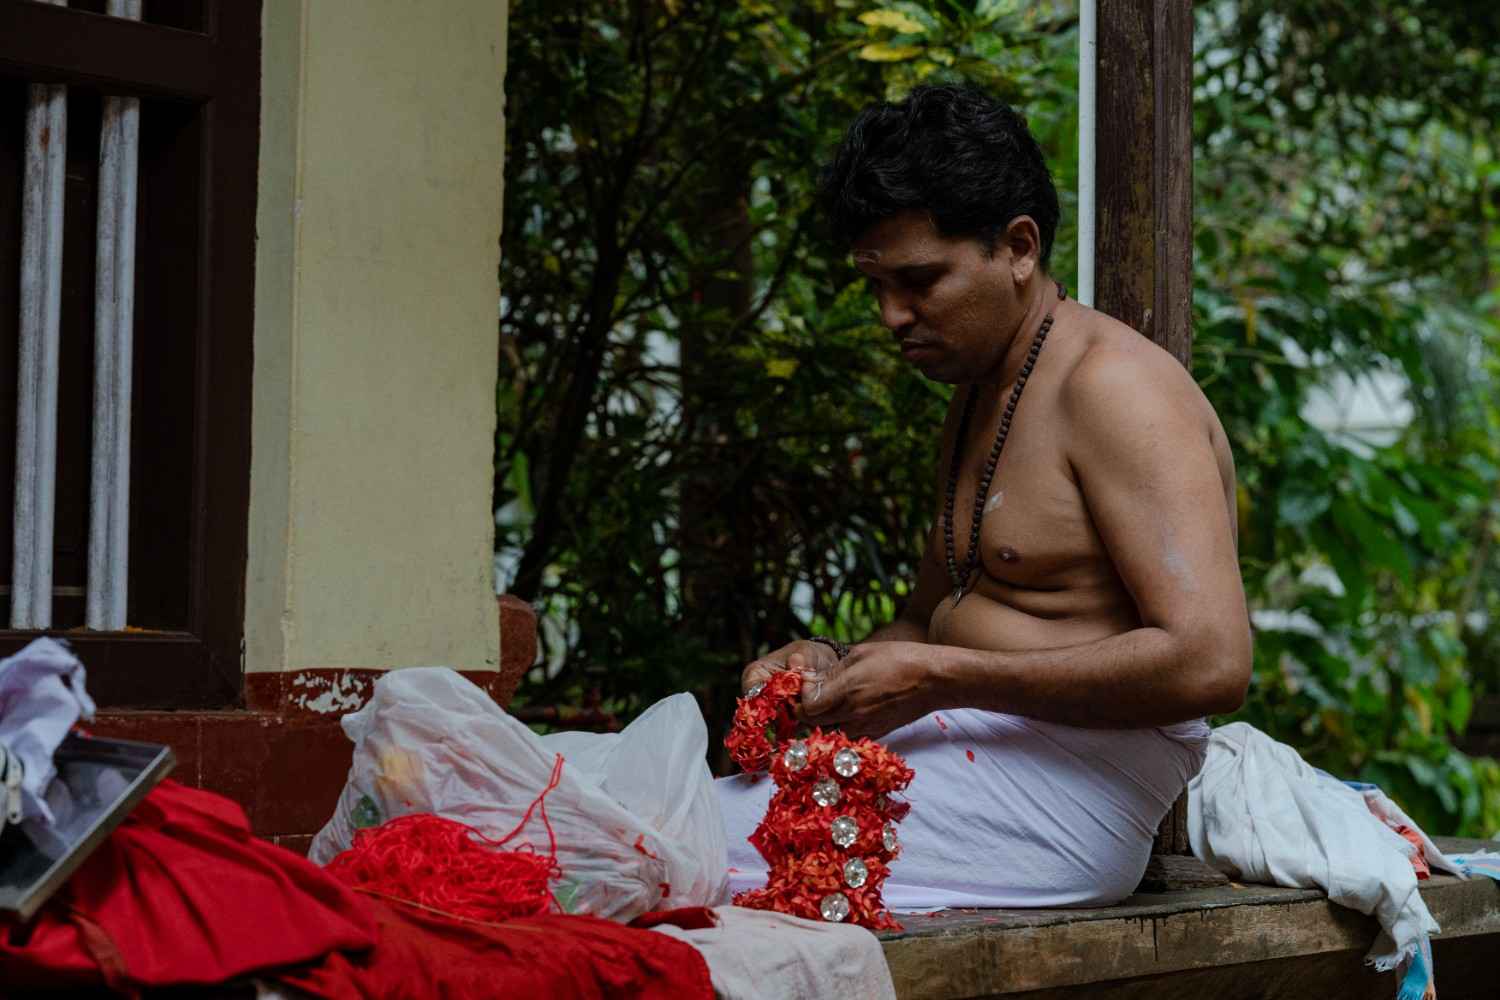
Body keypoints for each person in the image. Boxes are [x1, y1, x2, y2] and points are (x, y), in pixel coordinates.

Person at [718, 84, 1252, 908]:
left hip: (1069, 798)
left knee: (666, 841)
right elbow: (930, 615)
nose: (892, 316)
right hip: (967, 746)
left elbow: (1212, 662)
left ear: (1019, 246)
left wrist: (940, 678)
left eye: (921, 280)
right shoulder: (984, 388)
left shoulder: (1116, 390)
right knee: (653, 813)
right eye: (876, 287)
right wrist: (826, 662)